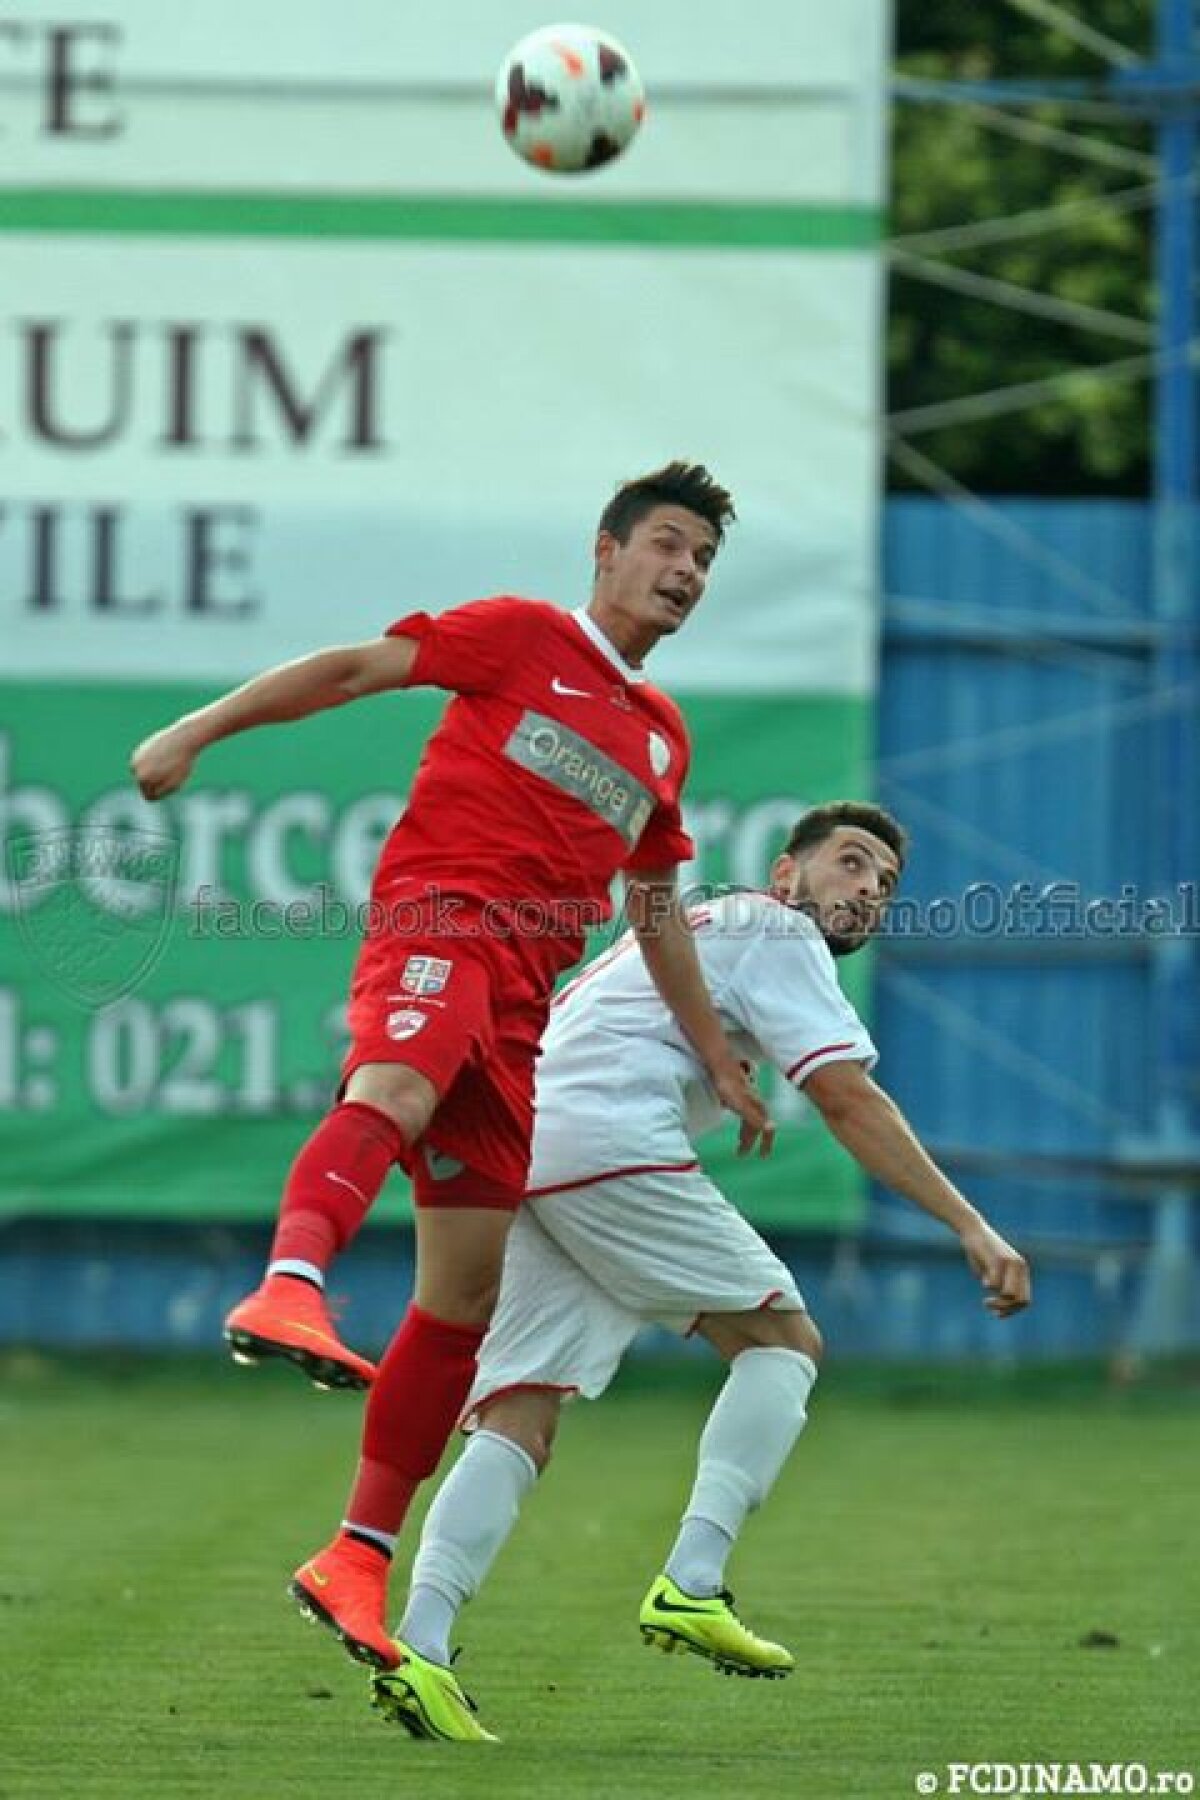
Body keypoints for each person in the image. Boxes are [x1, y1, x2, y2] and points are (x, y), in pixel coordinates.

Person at [130, 461, 772, 1669]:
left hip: (523, 1005)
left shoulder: (660, 738)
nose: (684, 574)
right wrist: (198, 728)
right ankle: (288, 1283)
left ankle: (357, 1556)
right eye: (669, 547)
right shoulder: (523, 637)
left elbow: (657, 906)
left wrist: (715, 1058)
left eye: (703, 562)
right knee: (396, 1086)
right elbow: (351, 670)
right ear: (608, 549)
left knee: (464, 1300)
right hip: (441, 922)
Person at [359, 803, 1032, 1742]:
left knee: (521, 1409)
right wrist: (972, 1226)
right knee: (783, 1343)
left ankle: (419, 1649)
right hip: (605, 1140)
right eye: (850, 863)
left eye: (885, 881)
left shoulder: (708, 927)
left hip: (526, 1145)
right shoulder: (775, 929)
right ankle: (694, 1580)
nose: (870, 888)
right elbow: (844, 1096)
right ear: (787, 876)